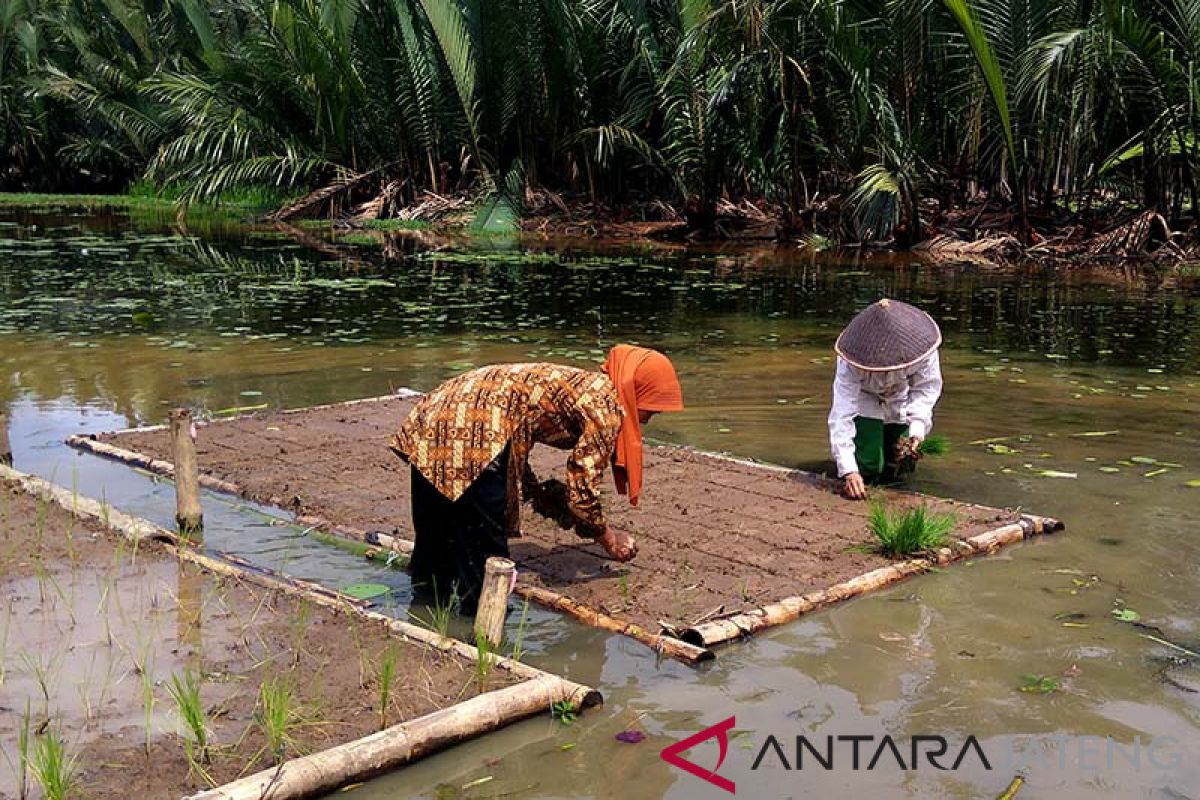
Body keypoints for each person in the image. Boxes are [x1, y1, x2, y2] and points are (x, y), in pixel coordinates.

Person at [388, 345, 684, 609]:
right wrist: (609, 538)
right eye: (652, 410)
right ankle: (483, 633)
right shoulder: (607, 409)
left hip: (437, 413)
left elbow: (518, 437)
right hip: (474, 432)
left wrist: (540, 495)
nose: (648, 419)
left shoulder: (585, 385)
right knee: (485, 556)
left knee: (437, 536)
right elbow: (582, 492)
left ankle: (423, 610)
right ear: (640, 391)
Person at [828, 298, 943, 500]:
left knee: (901, 462)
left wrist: (916, 432)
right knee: (870, 465)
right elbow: (841, 414)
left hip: (900, 396)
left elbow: (925, 389)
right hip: (865, 398)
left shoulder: (922, 350)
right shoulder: (850, 359)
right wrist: (849, 471)